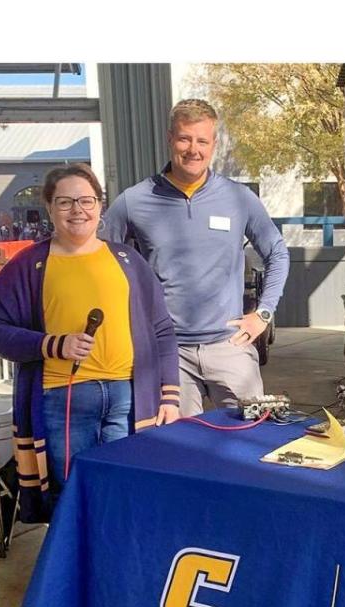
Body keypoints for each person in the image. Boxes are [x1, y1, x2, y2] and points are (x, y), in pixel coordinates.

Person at [0, 163, 181, 520]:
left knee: (125, 489)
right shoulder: (28, 266)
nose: (78, 210)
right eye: (65, 202)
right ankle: (74, 570)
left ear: (100, 205)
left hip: (128, 397)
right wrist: (52, 345)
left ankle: (115, 564)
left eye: (87, 200)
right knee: (72, 496)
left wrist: (169, 393)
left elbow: (162, 329)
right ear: (49, 207)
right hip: (63, 399)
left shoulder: (127, 260)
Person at [102, 98, 289, 417]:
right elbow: (99, 261)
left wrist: (264, 314)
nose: (193, 149)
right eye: (184, 138)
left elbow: (277, 252)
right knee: (180, 449)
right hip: (168, 354)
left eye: (202, 140)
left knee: (249, 440)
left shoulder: (237, 198)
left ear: (214, 144)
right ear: (170, 139)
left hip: (230, 347)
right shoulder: (134, 202)